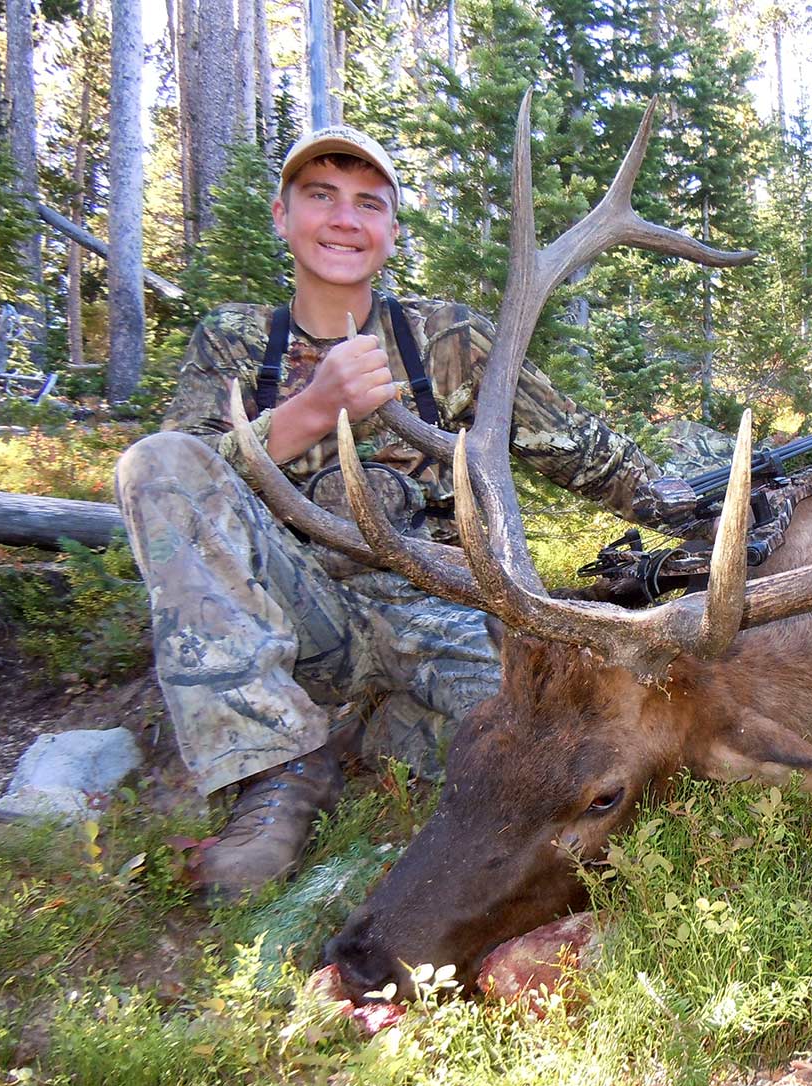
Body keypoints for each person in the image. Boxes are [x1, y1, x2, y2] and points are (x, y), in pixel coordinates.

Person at [115, 125, 708, 899]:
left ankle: (368, 733)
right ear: (281, 215)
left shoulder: (444, 339)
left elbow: (580, 448)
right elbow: (177, 482)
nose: (343, 219)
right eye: (320, 197)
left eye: (368, 203)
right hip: (299, 614)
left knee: (550, 746)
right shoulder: (234, 341)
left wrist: (693, 509)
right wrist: (310, 409)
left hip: (444, 611)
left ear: (392, 231)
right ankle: (277, 767)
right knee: (150, 460)